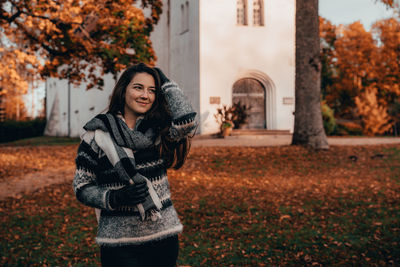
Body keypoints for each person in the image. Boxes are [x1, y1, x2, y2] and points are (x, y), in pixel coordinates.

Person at [73, 63, 197, 266]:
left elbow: (187, 121)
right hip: (119, 243)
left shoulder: (158, 132)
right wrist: (114, 197)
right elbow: (82, 186)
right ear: (123, 91)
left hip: (163, 237)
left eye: (152, 90)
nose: (145, 95)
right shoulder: (96, 135)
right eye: (138, 87)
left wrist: (165, 83)